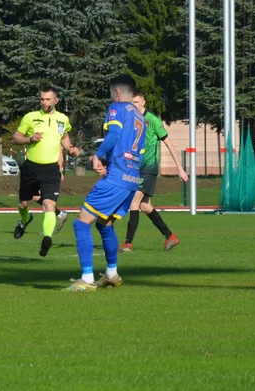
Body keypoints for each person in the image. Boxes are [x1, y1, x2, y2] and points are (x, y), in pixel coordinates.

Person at [67, 75, 145, 292]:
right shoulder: (139, 117)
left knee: (81, 223)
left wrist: (98, 155)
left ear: (117, 93)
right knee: (104, 223)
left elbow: (114, 135)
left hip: (116, 178)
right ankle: (111, 274)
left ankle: (87, 278)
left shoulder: (117, 107)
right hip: (131, 179)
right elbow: (136, 151)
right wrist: (110, 163)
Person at [11, 87, 80, 257]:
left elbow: (64, 137)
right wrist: (29, 139)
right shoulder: (30, 117)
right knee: (24, 204)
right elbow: (15, 137)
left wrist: (70, 149)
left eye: (48, 99)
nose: (44, 102)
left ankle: (47, 238)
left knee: (49, 205)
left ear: (55, 101)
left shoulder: (62, 119)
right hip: (31, 168)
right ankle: (26, 220)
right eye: (42, 99)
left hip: (51, 170)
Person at [120, 90, 188, 252]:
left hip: (148, 168)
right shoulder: (130, 120)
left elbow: (169, 144)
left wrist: (180, 168)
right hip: (135, 168)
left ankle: (128, 244)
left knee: (134, 202)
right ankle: (170, 236)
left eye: (136, 102)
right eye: (131, 103)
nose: (133, 105)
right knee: (144, 206)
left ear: (143, 102)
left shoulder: (153, 120)